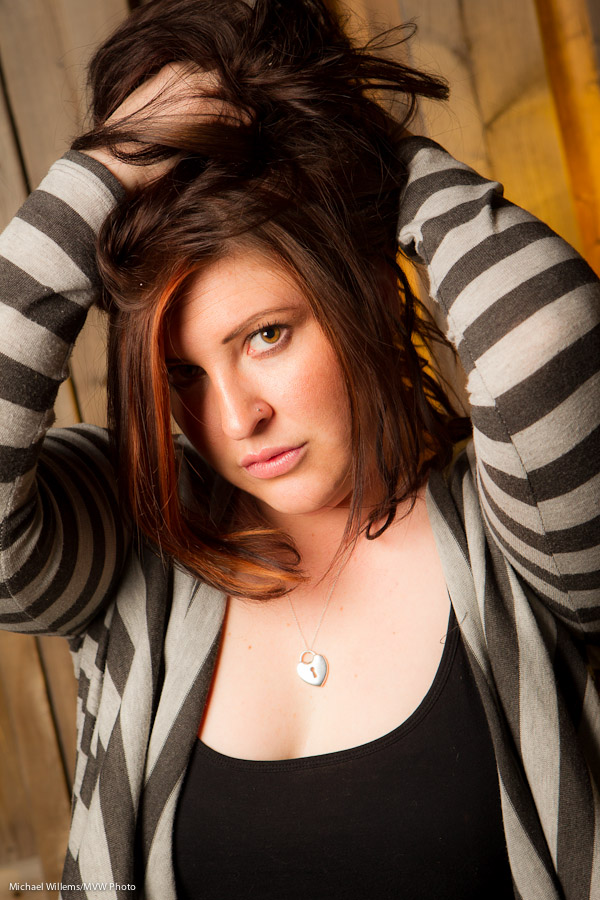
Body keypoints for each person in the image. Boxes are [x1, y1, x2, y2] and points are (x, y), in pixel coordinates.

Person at [0, 0, 598, 898]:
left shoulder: (526, 534)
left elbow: (545, 336)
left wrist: (355, 144)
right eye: (184, 373)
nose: (236, 418)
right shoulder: (128, 540)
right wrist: (113, 163)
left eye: (267, 335)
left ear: (366, 292)